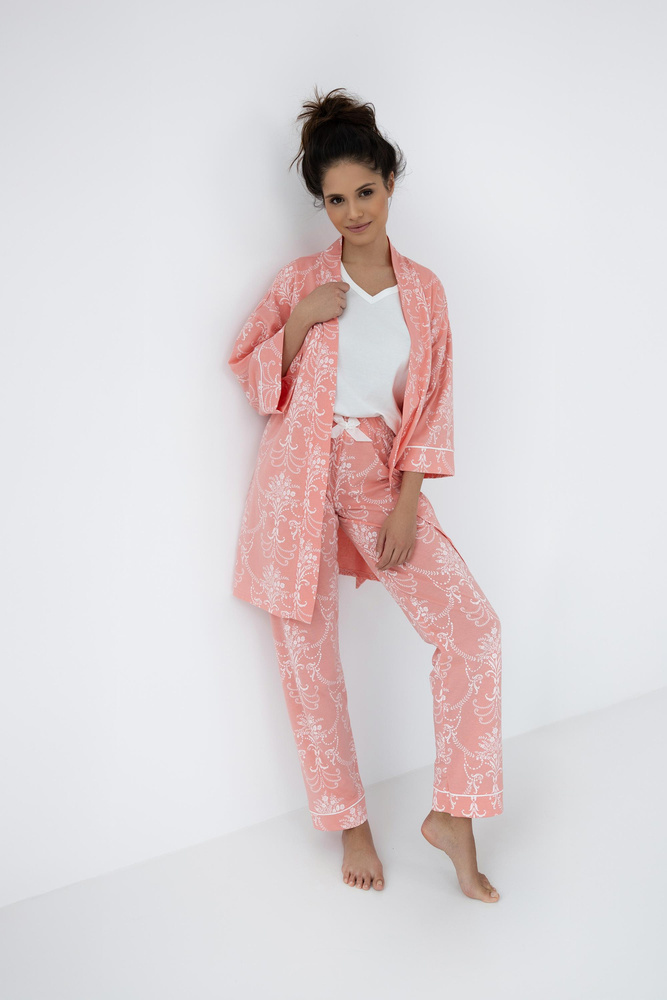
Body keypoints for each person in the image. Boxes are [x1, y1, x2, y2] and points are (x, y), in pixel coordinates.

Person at [227, 87, 503, 902]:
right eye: (335, 200)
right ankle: (349, 821)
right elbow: (249, 375)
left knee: (473, 631)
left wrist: (409, 501)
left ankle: (453, 814)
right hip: (296, 485)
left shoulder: (426, 293)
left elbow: (432, 401)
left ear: (389, 182)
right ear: (321, 204)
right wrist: (300, 323)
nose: (352, 212)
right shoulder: (300, 281)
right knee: (307, 655)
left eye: (365, 192)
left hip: (379, 476)